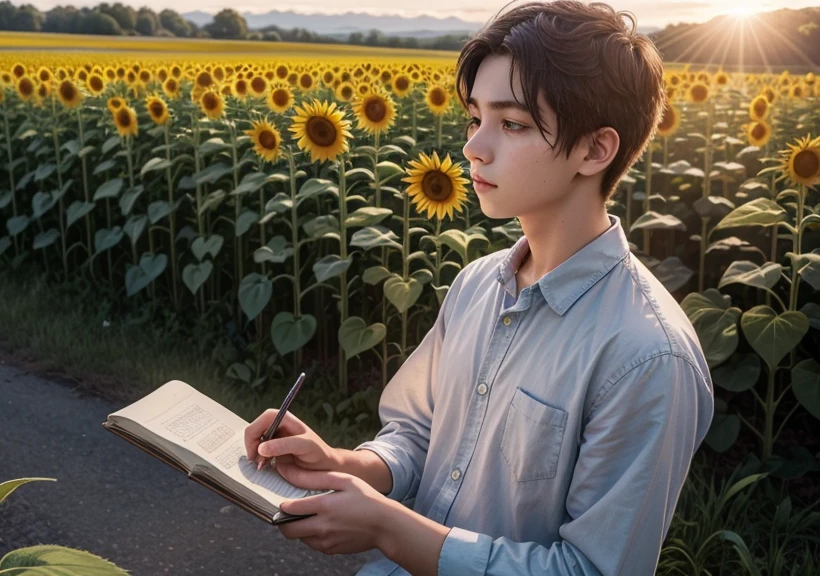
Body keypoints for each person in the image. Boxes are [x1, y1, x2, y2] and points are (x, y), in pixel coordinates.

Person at [244, 1, 715, 574]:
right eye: (474, 118)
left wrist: (390, 529)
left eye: (511, 124)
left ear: (595, 150)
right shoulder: (477, 285)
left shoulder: (647, 355)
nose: (473, 147)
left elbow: (591, 568)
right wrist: (346, 464)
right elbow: (419, 435)